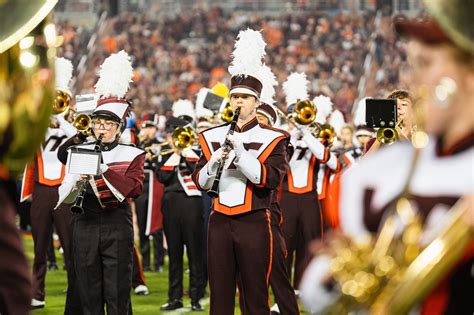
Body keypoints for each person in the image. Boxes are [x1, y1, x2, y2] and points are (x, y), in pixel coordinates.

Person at [300, 0, 474, 313]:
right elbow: (317, 293)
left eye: (425, 64)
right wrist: (339, 272)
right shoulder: (376, 172)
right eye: (411, 66)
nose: (412, 81)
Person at [192, 28, 290, 314]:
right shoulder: (211, 136)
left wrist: (242, 153)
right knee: (220, 296)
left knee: (254, 294)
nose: (238, 102)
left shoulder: (276, 137)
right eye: (235, 97)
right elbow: (200, 180)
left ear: (257, 102)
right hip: (219, 221)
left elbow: (269, 180)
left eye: (245, 98)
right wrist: (215, 161)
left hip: (255, 221)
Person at [57, 50, 145, 314]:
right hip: (84, 223)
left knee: (117, 294)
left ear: (119, 128)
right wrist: (75, 184)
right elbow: (64, 177)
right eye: (98, 123)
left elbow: (134, 189)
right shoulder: (80, 149)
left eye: (108, 124)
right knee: (88, 294)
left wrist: (103, 168)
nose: (102, 128)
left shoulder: (132, 153)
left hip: (116, 225)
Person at [20, 57, 77, 309]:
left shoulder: (71, 126)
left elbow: (76, 138)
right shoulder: (38, 124)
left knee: (70, 245)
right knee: (40, 245)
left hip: (65, 190)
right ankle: (37, 292)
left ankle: (77, 292)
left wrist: (62, 119)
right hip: (42, 188)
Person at [157, 102, 204, 312]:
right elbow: (163, 176)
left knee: (195, 253)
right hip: (171, 204)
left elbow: (199, 171)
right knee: (174, 255)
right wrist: (176, 152)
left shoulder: (196, 153)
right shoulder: (165, 153)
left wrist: (185, 150)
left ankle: (195, 297)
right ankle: (174, 297)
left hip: (192, 204)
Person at [135, 111, 165, 272]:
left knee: (157, 224)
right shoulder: (137, 145)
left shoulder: (161, 145)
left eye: (151, 127)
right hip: (142, 187)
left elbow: (161, 168)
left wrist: (152, 156)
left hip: (156, 186)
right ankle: (145, 262)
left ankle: (158, 261)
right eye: (146, 127)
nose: (148, 131)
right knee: (142, 224)